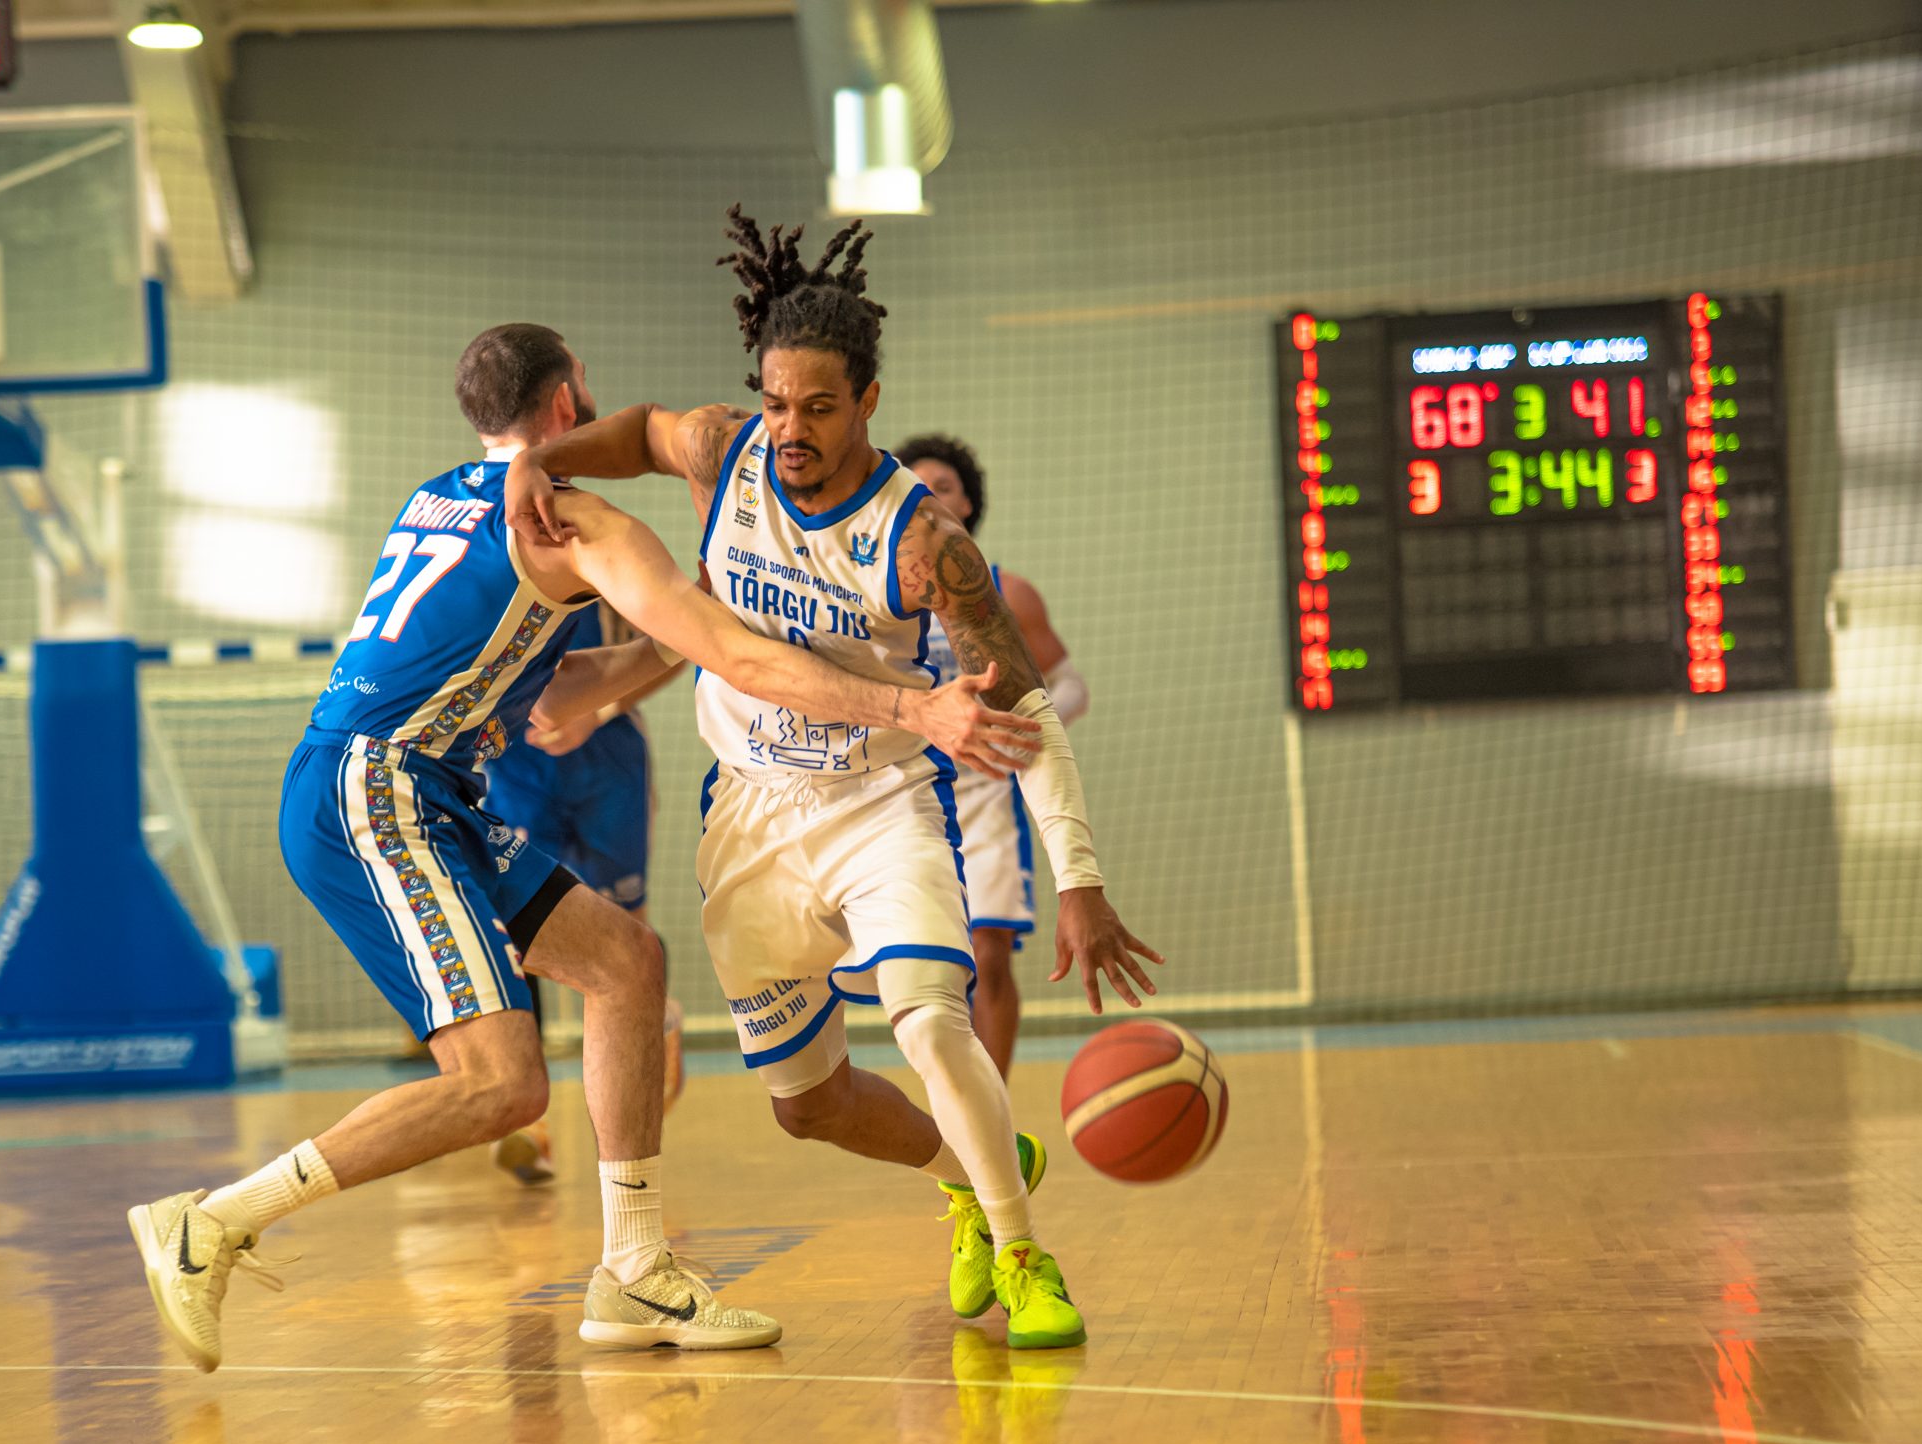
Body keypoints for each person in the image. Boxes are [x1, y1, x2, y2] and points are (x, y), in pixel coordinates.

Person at [128, 322, 1040, 1370]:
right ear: (566, 403)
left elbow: (531, 682)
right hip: (378, 791)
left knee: (626, 963)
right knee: (502, 1086)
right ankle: (213, 1223)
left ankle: (637, 1269)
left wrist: (628, 658)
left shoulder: (436, 498)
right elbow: (738, 656)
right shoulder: (577, 523)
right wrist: (910, 705)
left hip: (418, 783)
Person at [510, 210, 1160, 1350]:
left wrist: (1082, 879)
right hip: (749, 811)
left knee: (930, 1021)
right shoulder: (726, 451)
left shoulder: (923, 543)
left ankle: (1023, 1255)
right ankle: (975, 1172)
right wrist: (539, 460)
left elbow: (1026, 706)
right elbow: (644, 429)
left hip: (880, 802)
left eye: (818, 407)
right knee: (807, 1106)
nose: (791, 429)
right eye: (776, 402)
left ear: (867, 399)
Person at [894, 434, 1090, 1077]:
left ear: (967, 504)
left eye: (942, 487)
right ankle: (953, 1103)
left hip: (985, 795)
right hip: (906, 794)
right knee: (929, 971)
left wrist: (1015, 730)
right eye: (915, 486)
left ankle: (995, 1107)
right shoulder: (878, 594)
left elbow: (1070, 686)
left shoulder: (1008, 591)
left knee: (990, 954)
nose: (928, 498)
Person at [480, 600, 683, 1187]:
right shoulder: (485, 568)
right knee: (514, 934)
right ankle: (528, 1121)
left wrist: (601, 708)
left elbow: (680, 643)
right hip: (515, 765)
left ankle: (658, 1024)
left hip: (607, 759)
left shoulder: (611, 564)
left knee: (625, 933)